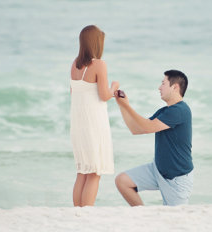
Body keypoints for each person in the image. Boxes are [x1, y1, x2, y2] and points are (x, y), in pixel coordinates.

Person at [114, 70, 193, 206]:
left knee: (175, 221)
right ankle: (143, 214)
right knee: (123, 181)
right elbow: (136, 129)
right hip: (158, 170)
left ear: (175, 87)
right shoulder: (165, 111)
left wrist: (127, 105)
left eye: (163, 83)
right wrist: (122, 106)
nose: (159, 87)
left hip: (176, 179)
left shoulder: (180, 110)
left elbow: (147, 127)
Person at [70, 25, 119, 206]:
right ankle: (87, 212)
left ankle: (77, 211)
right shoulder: (99, 64)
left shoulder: (75, 65)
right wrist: (114, 86)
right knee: (94, 173)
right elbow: (104, 96)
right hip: (94, 125)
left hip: (78, 125)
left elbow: (73, 92)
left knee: (82, 172)